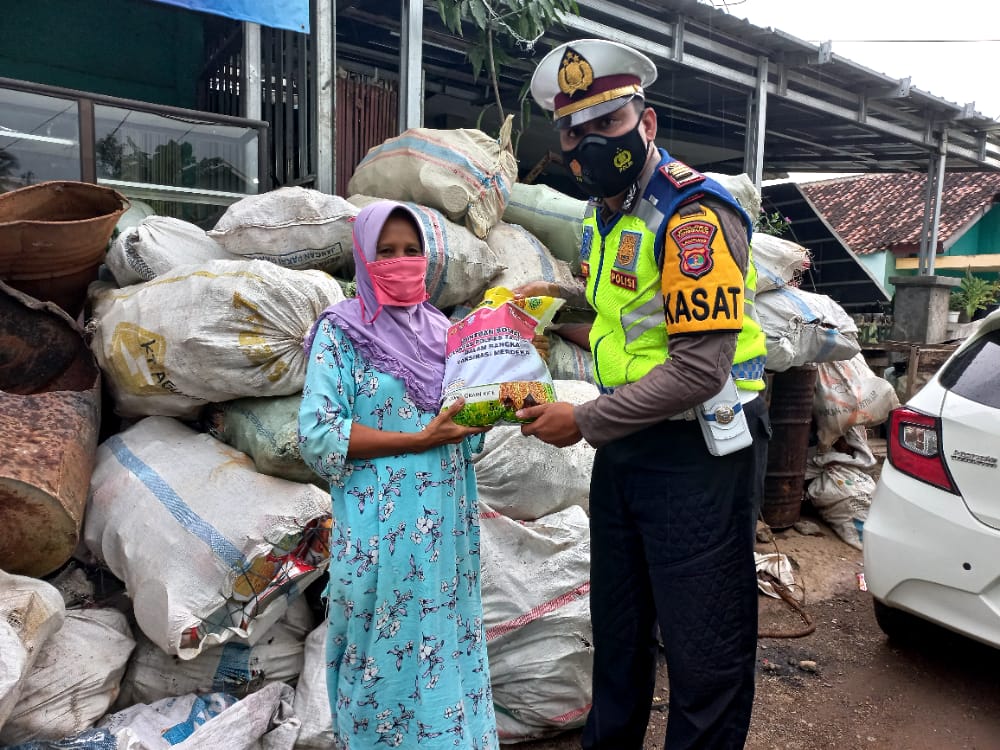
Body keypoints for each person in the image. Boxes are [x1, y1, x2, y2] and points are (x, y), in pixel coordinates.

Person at [516, 38, 772, 749]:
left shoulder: (691, 217)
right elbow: (620, 321)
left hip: (699, 453)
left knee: (704, 648)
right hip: (631, 446)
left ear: (646, 123)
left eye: (608, 124)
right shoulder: (607, 215)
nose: (591, 144)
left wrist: (586, 419)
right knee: (619, 633)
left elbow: (699, 367)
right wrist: (543, 311)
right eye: (576, 132)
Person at [298, 200, 499, 750]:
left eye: (412, 251)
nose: (400, 261)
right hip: (380, 537)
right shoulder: (341, 332)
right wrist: (418, 440)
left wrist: (500, 393)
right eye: (386, 252)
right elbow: (318, 435)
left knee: (445, 656)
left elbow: (468, 436)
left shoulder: (446, 332)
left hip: (448, 537)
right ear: (364, 256)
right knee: (380, 665)